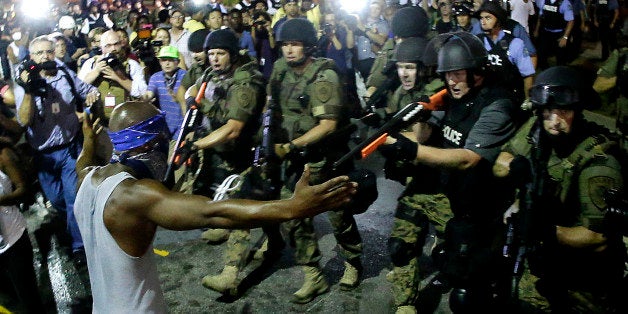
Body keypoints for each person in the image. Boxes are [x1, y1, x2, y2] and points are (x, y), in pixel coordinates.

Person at [73, 99, 355, 313]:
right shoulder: (136, 195)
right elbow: (215, 212)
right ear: (152, 144)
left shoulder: (87, 179)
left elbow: (83, 162)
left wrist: (88, 140)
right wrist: (294, 208)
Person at [382, 31, 519, 312]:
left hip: (478, 204)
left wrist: (409, 151)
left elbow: (468, 159)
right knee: (401, 242)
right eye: (447, 75)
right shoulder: (452, 95)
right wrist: (416, 116)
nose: (451, 82)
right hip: (445, 187)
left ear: (477, 73)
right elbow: (425, 132)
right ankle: (405, 304)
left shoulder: (496, 105)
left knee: (467, 290)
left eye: (458, 74)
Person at [493, 66, 627, 313]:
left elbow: (597, 239)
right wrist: (517, 167)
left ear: (577, 110)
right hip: (545, 256)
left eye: (563, 111)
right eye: (548, 111)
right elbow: (500, 162)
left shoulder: (598, 161)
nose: (554, 121)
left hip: (584, 274)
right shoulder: (538, 130)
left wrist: (542, 230)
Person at [269, 18, 364, 304]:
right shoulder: (280, 71)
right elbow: (271, 102)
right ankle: (313, 275)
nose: (289, 50)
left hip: (325, 160)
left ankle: (352, 260)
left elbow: (327, 124)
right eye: (285, 45)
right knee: (293, 216)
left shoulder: (324, 76)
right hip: (296, 162)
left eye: (295, 45)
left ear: (308, 46)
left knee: (339, 219)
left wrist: (290, 146)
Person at [13, 35, 100, 265]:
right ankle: (73, 226)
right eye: (39, 53)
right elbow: (23, 121)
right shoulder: (25, 82)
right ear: (31, 57)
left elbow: (86, 89)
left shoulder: (64, 73)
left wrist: (93, 94)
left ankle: (79, 247)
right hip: (45, 156)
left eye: (49, 52)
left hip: (71, 147)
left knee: (73, 198)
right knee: (57, 199)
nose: (45, 57)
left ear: (54, 53)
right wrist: (30, 90)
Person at [378, 36, 447, 314]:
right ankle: (405, 304)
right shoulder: (401, 92)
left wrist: (384, 135)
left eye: (410, 67)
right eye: (399, 67)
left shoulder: (434, 93)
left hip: (447, 187)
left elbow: (419, 136)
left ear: (423, 68)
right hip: (419, 184)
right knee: (400, 244)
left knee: (461, 257)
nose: (404, 74)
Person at [0, 140, 45, 314]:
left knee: (29, 298)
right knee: (9, 300)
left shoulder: (4, 155)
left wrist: (2, 201)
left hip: (14, 240)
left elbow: (22, 188)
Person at [78, 29, 148, 124]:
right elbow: (78, 88)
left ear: (121, 44)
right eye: (108, 46)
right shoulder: (91, 64)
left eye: (116, 44)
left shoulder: (131, 65)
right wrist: (96, 71)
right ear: (101, 48)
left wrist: (118, 78)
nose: (113, 49)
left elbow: (142, 92)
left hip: (124, 121)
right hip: (98, 122)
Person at [476, 1, 535, 104]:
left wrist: (527, 100)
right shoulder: (478, 41)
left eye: (488, 18)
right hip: (485, 94)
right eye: (481, 18)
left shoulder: (515, 44)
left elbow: (528, 74)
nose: (483, 22)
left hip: (508, 97)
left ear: (498, 21)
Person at [143, 46, 187, 141]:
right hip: (166, 127)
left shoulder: (185, 76)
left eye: (171, 60)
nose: (167, 63)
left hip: (182, 126)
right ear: (159, 62)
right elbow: (149, 93)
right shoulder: (156, 77)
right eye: (163, 60)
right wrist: (146, 97)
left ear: (178, 62)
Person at [533, 0, 574, 69]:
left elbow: (571, 21)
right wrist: (536, 30)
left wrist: (565, 37)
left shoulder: (564, 2)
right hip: (546, 32)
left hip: (559, 33)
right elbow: (540, 17)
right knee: (541, 53)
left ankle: (560, 73)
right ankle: (546, 71)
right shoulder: (543, 1)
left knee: (561, 57)